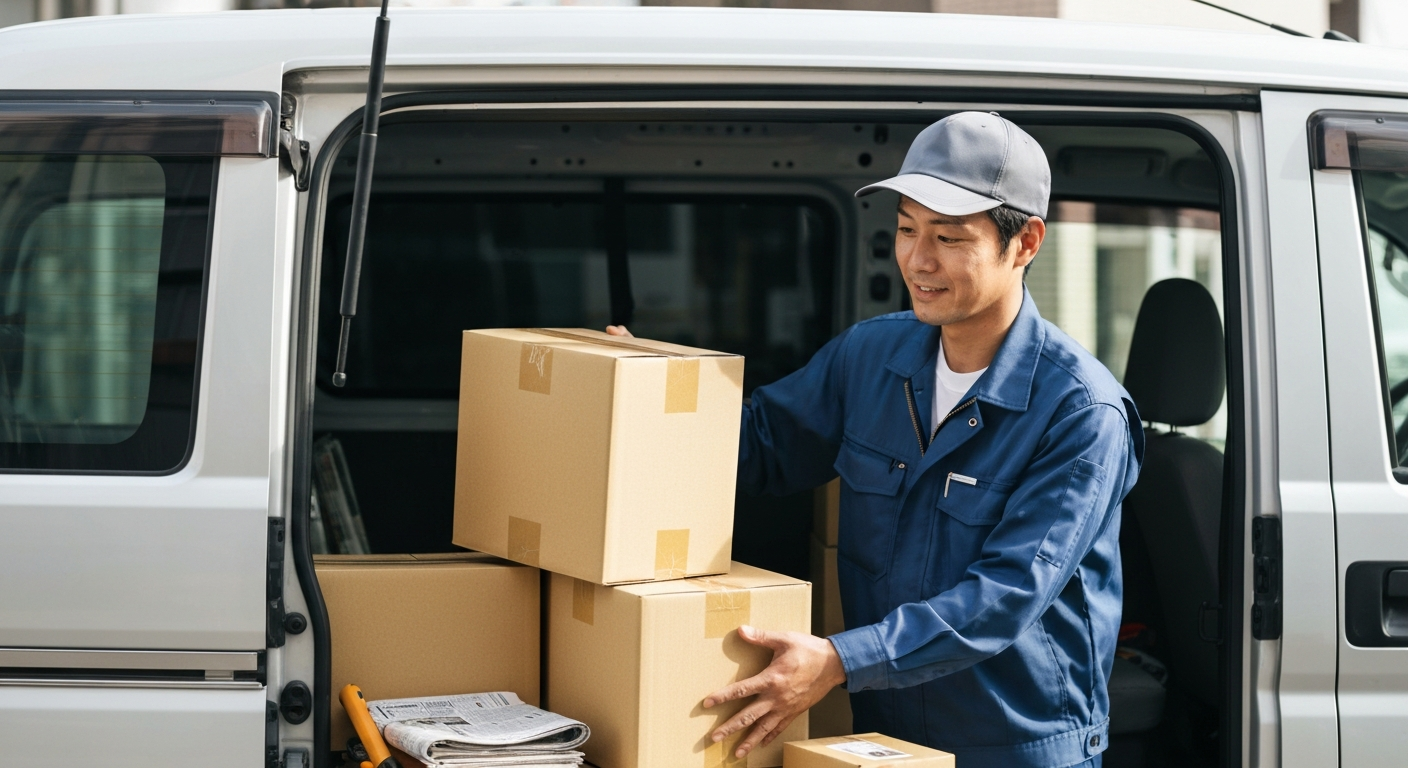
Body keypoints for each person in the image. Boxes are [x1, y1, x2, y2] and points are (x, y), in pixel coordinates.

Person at [608, 111, 1143, 768]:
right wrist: (643, 395)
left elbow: (1004, 596)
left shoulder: (1080, 411)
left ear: (1025, 243)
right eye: (906, 229)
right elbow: (760, 445)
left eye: (948, 238)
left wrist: (838, 660)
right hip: (884, 738)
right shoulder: (870, 356)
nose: (918, 260)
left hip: (1014, 748)